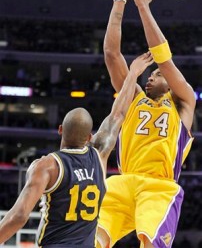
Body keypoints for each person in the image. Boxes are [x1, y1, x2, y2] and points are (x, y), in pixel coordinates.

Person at [0, 52, 153, 248]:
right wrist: (132, 74)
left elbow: (19, 216)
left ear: (60, 130)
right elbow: (118, 115)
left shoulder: (47, 166)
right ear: (89, 138)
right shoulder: (99, 155)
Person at [96, 0, 196, 248]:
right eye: (148, 75)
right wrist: (119, 2)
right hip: (122, 181)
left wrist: (143, 7)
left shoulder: (184, 102)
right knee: (90, 238)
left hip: (158, 187)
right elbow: (111, 54)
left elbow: (163, 58)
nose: (150, 77)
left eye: (157, 75)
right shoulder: (134, 97)